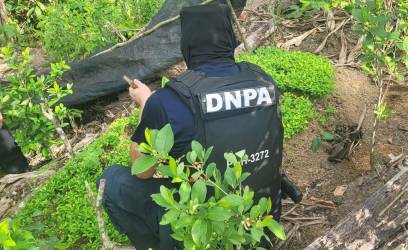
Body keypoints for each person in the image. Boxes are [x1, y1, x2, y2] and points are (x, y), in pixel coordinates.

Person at [97, 4, 301, 250]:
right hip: (260, 226)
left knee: (111, 181)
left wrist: (146, 104)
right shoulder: (263, 81)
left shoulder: (167, 101)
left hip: (204, 235)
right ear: (229, 39)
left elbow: (142, 171)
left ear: (187, 46)